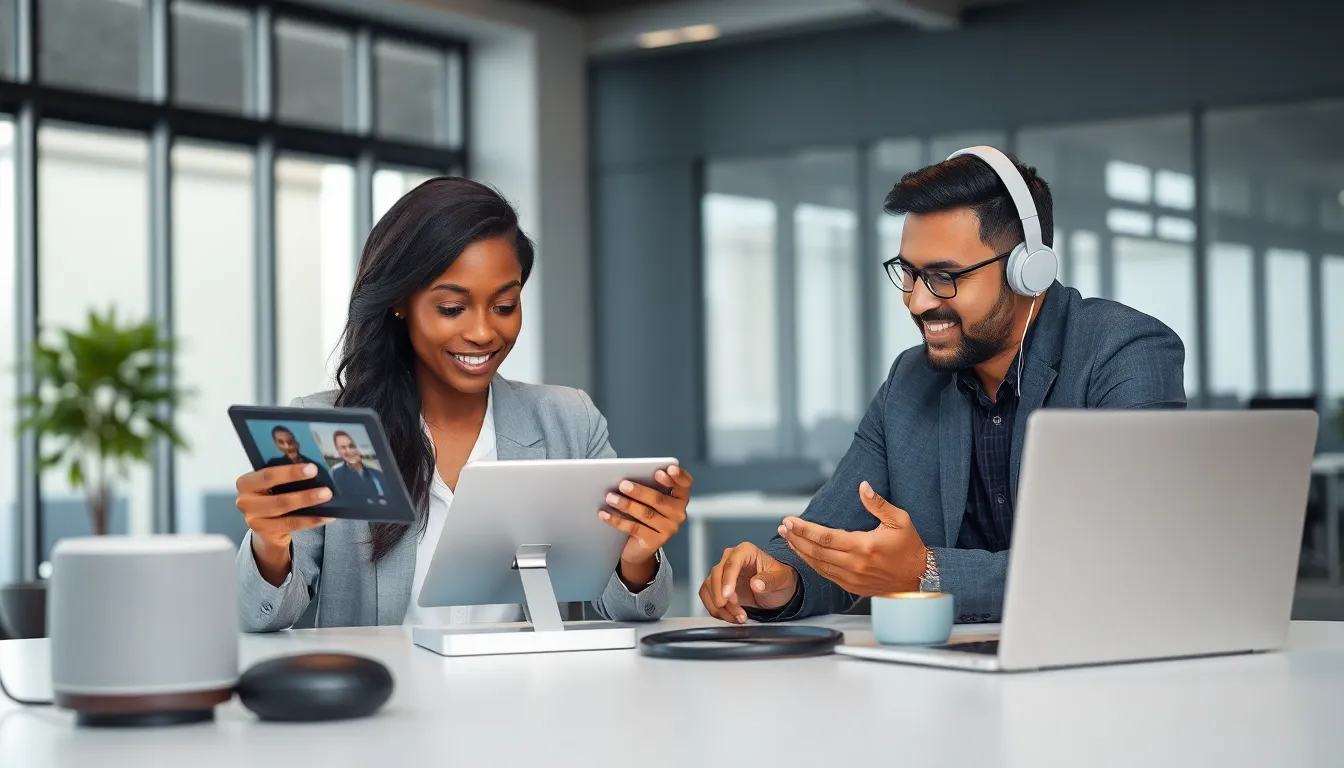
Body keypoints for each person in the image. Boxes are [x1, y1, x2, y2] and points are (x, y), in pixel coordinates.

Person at [700, 148, 1186, 624]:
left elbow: (1125, 562)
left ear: (1027, 270)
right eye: (909, 274)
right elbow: (830, 536)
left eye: (943, 277)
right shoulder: (910, 381)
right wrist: (780, 579)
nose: (916, 302)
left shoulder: (1124, 352)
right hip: (950, 678)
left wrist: (925, 572)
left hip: (1101, 668)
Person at [234, 177, 692, 631]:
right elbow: (264, 617)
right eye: (452, 308)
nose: (482, 333)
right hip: (391, 698)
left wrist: (636, 556)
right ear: (400, 303)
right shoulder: (330, 431)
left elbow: (634, 611)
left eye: (505, 305)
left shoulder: (567, 421)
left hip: (532, 698)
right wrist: (270, 545)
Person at [262, 425, 335, 494]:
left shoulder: (316, 466)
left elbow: (330, 490)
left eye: (290, 441)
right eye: (281, 442)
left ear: (296, 442)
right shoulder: (274, 464)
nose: (287, 446)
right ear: (276, 444)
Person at [328, 430, 387, 501]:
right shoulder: (336, 474)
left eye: (351, 446)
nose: (348, 451)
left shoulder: (377, 471)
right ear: (338, 451)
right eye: (343, 447)